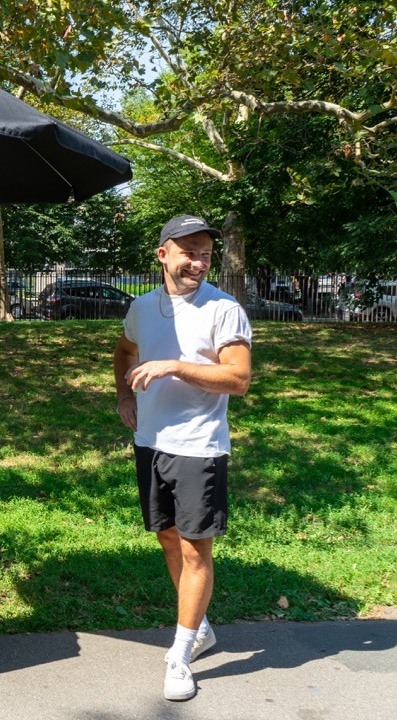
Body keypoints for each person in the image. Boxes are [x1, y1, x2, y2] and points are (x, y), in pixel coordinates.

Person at [113, 215, 252, 702]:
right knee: (168, 538)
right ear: (163, 255)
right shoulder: (142, 307)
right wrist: (123, 397)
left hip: (199, 446)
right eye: (189, 251)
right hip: (150, 441)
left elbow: (238, 378)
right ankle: (200, 628)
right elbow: (124, 350)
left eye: (206, 254)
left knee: (195, 550)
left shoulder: (223, 309)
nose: (197, 261)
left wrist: (175, 365)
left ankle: (180, 653)